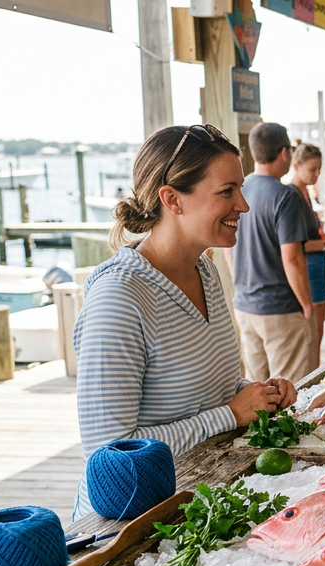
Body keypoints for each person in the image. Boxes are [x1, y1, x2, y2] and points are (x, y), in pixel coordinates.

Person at [76, 124, 296, 517]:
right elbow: (109, 454)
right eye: (227, 191)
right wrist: (231, 414)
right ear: (172, 199)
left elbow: (213, 391)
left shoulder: (206, 270)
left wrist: (259, 396)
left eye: (240, 188)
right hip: (134, 521)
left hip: (204, 495)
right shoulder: (119, 296)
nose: (243, 205)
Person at [231, 122, 315, 383]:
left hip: (245, 305)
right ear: (284, 153)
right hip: (281, 309)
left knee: (257, 389)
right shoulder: (284, 196)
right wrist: (307, 304)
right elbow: (292, 258)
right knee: (292, 390)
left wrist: (241, 284)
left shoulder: (238, 189)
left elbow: (227, 246)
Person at [289, 141, 325, 370]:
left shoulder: (305, 193)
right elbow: (295, 245)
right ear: (296, 166)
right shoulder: (292, 196)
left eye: (319, 169)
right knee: (312, 335)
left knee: (317, 335)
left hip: (316, 269)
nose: (317, 174)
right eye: (312, 169)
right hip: (308, 272)